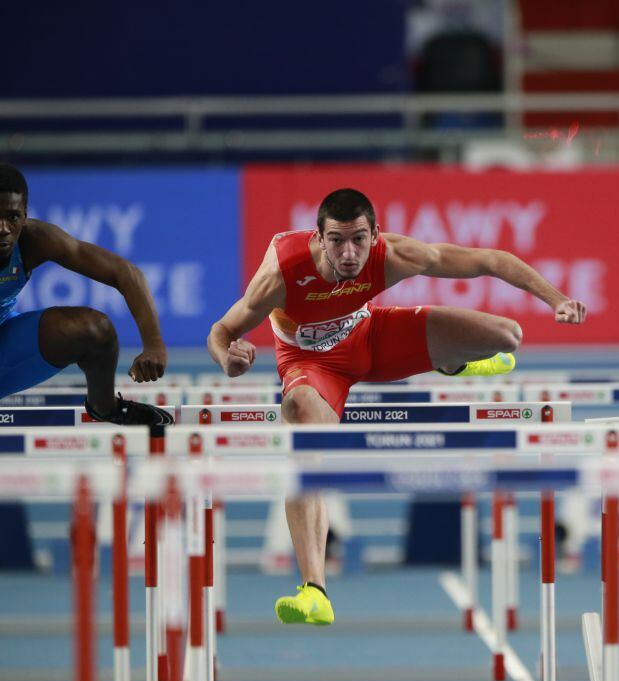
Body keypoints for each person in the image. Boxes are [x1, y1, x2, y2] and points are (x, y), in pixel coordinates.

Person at [207, 187, 586, 626]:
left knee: (507, 336)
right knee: (302, 427)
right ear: (319, 237)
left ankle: (450, 362)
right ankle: (314, 589)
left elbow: (492, 260)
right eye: (336, 241)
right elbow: (222, 330)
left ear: (375, 234)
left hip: (373, 340)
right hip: (313, 367)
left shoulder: (394, 255)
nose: (349, 253)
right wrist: (228, 359)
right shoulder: (284, 272)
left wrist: (557, 299)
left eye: (359, 240)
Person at [0, 164, 171, 424]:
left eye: (12, 217)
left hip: (6, 342)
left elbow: (125, 272)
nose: (3, 228)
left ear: (25, 215)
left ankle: (105, 407)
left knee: (95, 330)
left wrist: (154, 344)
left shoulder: (34, 239)